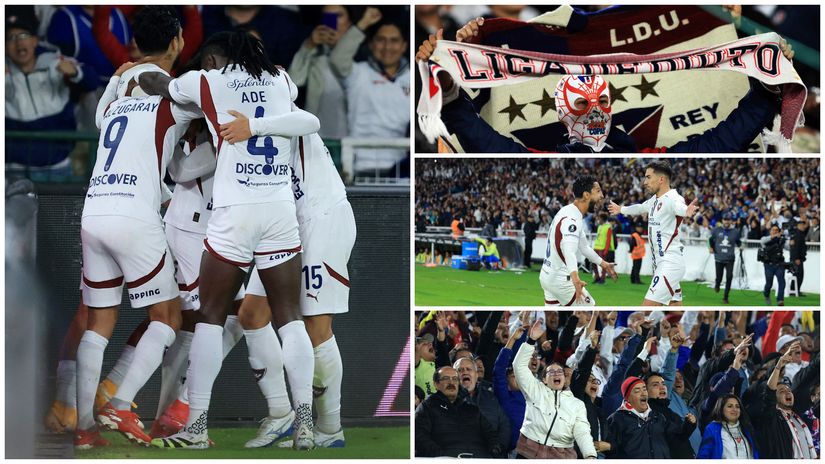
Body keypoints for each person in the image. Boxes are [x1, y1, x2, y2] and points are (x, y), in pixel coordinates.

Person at [138, 30, 316, 449]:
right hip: (279, 212)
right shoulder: (280, 79)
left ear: (215, 59)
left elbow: (158, 85)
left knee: (210, 319)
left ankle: (196, 428)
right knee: (290, 318)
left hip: (233, 215)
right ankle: (305, 424)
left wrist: (160, 81)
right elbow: (301, 115)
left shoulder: (206, 80)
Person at [74, 7, 197, 449]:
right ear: (178, 42)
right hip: (134, 212)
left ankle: (85, 429)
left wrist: (118, 77)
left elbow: (100, 121)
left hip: (94, 209)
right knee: (167, 317)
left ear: (133, 44)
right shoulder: (179, 92)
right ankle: (121, 405)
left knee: (98, 324)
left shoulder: (117, 83)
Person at [415, 19, 795, 153]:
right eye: (582, 105)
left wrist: (767, 87)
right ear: (563, 115)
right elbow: (483, 142)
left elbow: (723, 141)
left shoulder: (650, 158)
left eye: (600, 102)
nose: (594, 112)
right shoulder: (545, 160)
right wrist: (447, 84)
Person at [225, 126, 357, 448]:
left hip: (322, 218)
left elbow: (308, 119)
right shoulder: (244, 114)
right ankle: (282, 414)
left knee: (315, 327)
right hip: (286, 222)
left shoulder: (282, 109)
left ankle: (330, 427)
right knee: (252, 313)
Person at [5, 7, 100, 177]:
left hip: (57, 168)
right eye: (11, 38)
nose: (19, 43)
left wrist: (75, 73)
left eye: (23, 36)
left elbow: (92, 81)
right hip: (13, 171)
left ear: (34, 40)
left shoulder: (55, 61)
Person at [609, 161, 699, 306]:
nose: (645, 182)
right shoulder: (655, 200)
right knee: (675, 307)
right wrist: (621, 209)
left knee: (645, 309)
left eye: (648, 177)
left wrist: (686, 211)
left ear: (661, 179)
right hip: (660, 263)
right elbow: (640, 207)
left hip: (669, 264)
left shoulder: (673, 198)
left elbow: (679, 207)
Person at [288, 6, 382, 139]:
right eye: (327, 17)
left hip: (353, 139)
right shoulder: (314, 54)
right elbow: (293, 83)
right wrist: (309, 46)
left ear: (350, 21)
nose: (332, 21)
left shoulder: (364, 56)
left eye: (338, 16)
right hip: (317, 138)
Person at [331, 19, 410, 176]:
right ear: (371, 44)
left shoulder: (415, 78)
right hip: (358, 166)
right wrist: (362, 24)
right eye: (381, 40)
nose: (387, 47)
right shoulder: (357, 73)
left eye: (394, 41)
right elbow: (337, 59)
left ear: (404, 46)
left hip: (400, 169)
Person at [512, 320, 596, 459]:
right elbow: (518, 366)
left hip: (561, 456)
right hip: (528, 453)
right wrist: (531, 341)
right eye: (551, 372)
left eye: (560, 372)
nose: (557, 374)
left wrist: (590, 454)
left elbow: (582, 432)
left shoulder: (577, 405)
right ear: (544, 379)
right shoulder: (535, 389)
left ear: (565, 379)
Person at [540, 175, 617, 306]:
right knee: (591, 312)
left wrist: (603, 264)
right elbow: (569, 251)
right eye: (598, 191)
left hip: (547, 275)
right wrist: (575, 280)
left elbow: (584, 247)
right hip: (562, 280)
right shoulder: (573, 219)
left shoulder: (567, 211)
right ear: (586, 195)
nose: (602, 195)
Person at [415, 366, 503, 458]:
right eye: (446, 378)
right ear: (436, 384)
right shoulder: (427, 407)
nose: (451, 382)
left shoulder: (472, 409)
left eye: (455, 379)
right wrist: (442, 457)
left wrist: (495, 450)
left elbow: (491, 435)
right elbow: (419, 437)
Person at [603, 376, 696, 458]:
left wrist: (689, 424)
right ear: (627, 398)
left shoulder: (657, 416)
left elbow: (677, 437)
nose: (643, 393)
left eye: (644, 389)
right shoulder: (617, 419)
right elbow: (610, 448)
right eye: (637, 391)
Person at [754, 341, 817, 458]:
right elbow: (769, 393)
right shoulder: (773, 418)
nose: (788, 392)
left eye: (789, 390)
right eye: (782, 391)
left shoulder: (798, 418)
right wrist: (779, 366)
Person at [454, 356, 511, 450]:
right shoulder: (449, 399)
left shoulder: (490, 396)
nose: (465, 372)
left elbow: (504, 424)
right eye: (460, 370)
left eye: (469, 369)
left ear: (476, 375)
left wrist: (500, 447)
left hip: (491, 452)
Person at [697, 394, 759, 459]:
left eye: (737, 406)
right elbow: (703, 457)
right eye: (730, 406)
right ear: (721, 409)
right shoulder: (712, 429)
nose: (734, 409)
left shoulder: (747, 428)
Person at [709, 214, 742, 304]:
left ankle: (725, 297)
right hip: (719, 257)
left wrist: (740, 246)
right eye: (725, 219)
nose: (726, 221)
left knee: (729, 277)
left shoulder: (735, 231)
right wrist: (711, 247)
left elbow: (738, 242)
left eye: (728, 220)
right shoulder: (716, 230)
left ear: (730, 221)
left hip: (730, 258)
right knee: (719, 277)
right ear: (722, 220)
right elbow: (711, 240)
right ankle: (717, 284)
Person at [759, 224, 787, 306]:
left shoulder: (781, 240)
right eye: (773, 230)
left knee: (782, 282)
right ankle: (766, 294)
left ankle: (780, 300)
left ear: (779, 232)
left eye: (776, 230)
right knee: (769, 284)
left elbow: (788, 246)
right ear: (770, 231)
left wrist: (792, 243)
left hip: (779, 264)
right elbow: (762, 241)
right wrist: (775, 236)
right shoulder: (765, 239)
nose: (774, 231)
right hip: (769, 265)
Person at [789, 218, 808, 296]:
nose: (804, 226)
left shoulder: (799, 234)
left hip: (798, 258)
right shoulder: (797, 235)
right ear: (798, 226)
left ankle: (794, 290)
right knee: (798, 275)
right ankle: (794, 291)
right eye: (802, 225)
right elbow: (795, 248)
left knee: (797, 275)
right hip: (797, 259)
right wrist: (796, 258)